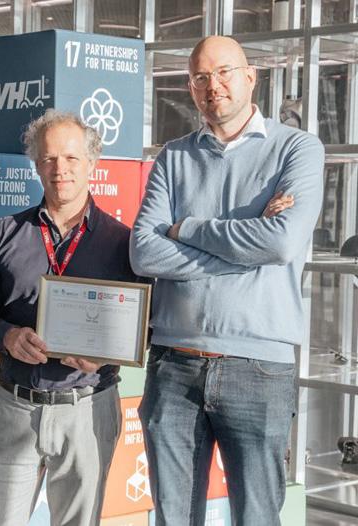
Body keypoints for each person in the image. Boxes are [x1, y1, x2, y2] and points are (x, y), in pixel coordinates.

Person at [130, 36, 324, 526]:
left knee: (256, 516)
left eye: (223, 72)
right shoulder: (173, 157)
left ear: (250, 77)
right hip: (174, 365)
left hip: (258, 367)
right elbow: (144, 251)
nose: (212, 85)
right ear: (190, 87)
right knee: (174, 518)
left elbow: (280, 244)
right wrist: (245, 249)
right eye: (200, 77)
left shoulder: (297, 149)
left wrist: (187, 229)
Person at [0, 110, 137, 526]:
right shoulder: (4, 233)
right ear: (36, 165)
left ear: (92, 163)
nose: (60, 169)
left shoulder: (122, 243)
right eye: (49, 159)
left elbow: (141, 327)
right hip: (15, 406)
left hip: (88, 408)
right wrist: (6, 335)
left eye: (72, 158)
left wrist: (105, 356)